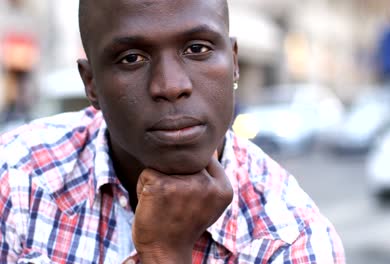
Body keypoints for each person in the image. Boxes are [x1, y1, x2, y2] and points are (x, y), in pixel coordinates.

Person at [0, 0, 346, 263]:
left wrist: (162, 251)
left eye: (197, 49)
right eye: (132, 58)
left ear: (234, 62)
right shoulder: (17, 178)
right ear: (91, 83)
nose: (171, 85)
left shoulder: (293, 239)